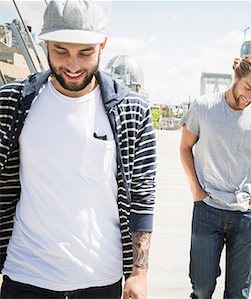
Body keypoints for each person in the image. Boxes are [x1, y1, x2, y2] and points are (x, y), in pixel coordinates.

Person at [0, 1, 156, 298]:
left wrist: (139, 273)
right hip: (25, 276)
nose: (72, 65)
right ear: (43, 43)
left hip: (101, 280)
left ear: (103, 44)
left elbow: (142, 195)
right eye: (61, 51)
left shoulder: (132, 112)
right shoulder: (11, 103)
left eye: (85, 52)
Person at [179, 54, 251, 299]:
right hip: (207, 210)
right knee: (201, 288)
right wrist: (196, 191)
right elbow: (185, 148)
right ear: (236, 76)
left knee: (239, 292)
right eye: (248, 87)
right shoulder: (203, 107)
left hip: (244, 214)